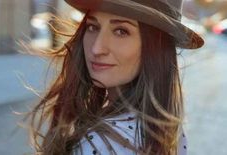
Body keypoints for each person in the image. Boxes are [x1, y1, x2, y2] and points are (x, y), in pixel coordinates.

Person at [28, 0, 204, 155]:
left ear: (156, 47)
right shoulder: (170, 133)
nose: (97, 48)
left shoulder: (98, 144)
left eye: (121, 31)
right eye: (92, 27)